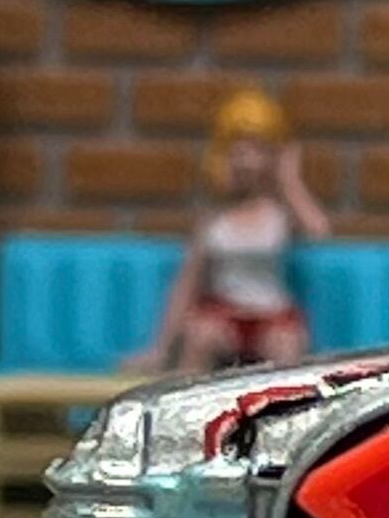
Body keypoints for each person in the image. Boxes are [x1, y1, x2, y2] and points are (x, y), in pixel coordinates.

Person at [136, 87, 333, 373]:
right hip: (225, 313)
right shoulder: (215, 220)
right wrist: (161, 347)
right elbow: (187, 284)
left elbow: (318, 230)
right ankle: (188, 398)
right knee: (200, 335)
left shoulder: (279, 214)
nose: (247, 162)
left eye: (258, 150)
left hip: (271, 316)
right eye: (239, 151)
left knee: (287, 344)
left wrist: (289, 180)